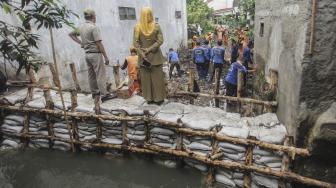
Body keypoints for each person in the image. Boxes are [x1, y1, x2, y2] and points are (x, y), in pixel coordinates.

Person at [69, 9, 114, 102]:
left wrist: (82, 43)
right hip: (95, 54)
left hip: (87, 55)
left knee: (91, 75)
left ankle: (95, 93)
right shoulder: (93, 27)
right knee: (100, 75)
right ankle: (104, 95)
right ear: (93, 16)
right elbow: (99, 44)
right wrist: (105, 56)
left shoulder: (81, 27)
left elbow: (71, 34)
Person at [133, 7, 166, 105]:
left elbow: (135, 43)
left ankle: (149, 99)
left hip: (144, 59)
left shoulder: (137, 27)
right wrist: (150, 49)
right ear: (151, 14)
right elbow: (160, 41)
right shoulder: (156, 26)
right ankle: (159, 99)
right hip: (155, 57)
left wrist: (142, 53)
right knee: (157, 79)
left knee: (146, 79)